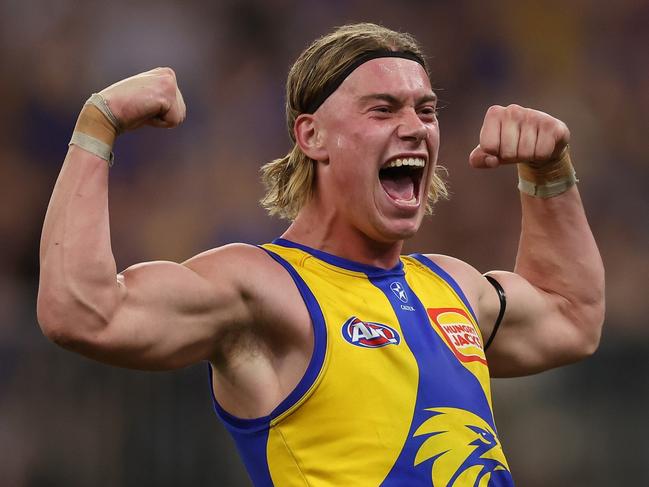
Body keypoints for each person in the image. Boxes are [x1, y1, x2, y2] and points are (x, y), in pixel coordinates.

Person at [37, 23, 604, 486]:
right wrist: (98, 126)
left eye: (426, 111)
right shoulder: (263, 289)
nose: (414, 128)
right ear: (311, 136)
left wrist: (549, 174)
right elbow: (83, 312)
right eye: (383, 110)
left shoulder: (453, 285)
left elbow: (573, 318)